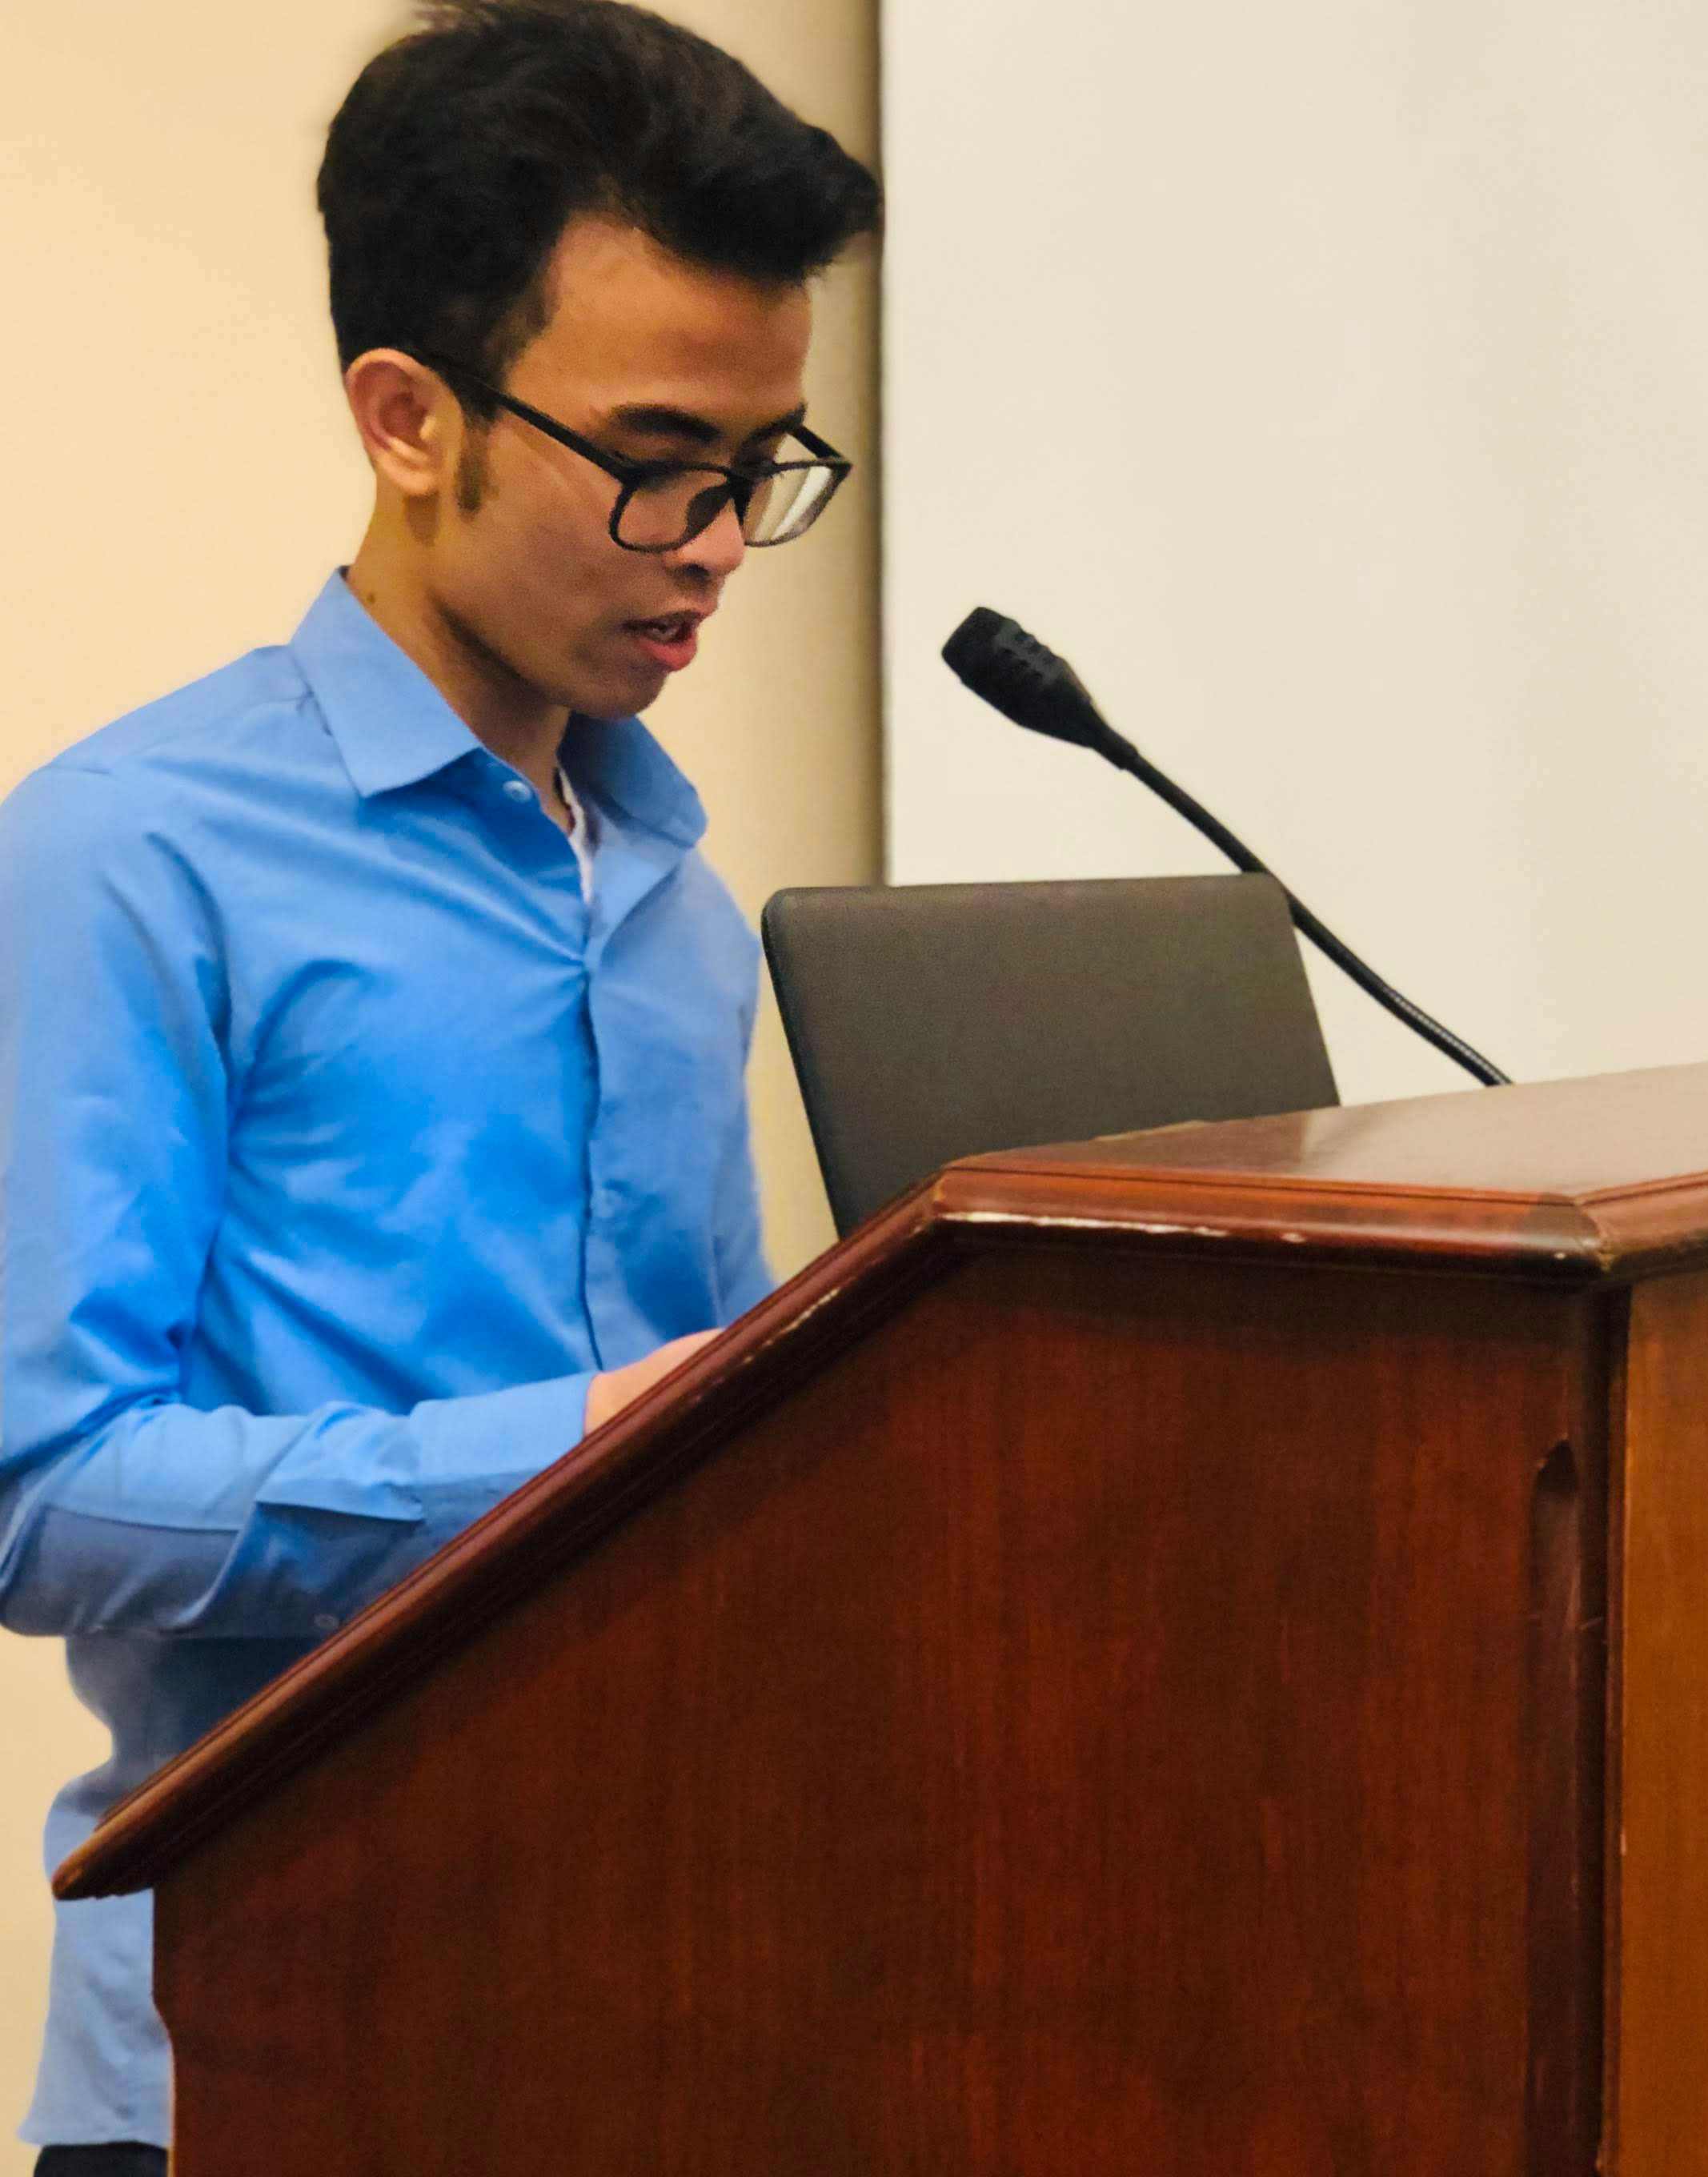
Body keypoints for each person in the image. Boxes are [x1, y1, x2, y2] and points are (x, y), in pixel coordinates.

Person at [0, 2, 880, 2166]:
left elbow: (708, 1438)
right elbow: (34, 1491)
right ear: (409, 417)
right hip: (263, 2049)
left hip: (661, 2012)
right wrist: (561, 1459)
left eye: (765, 465)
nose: (718, 544)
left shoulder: (669, 885)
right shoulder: (130, 854)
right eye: (660, 458)